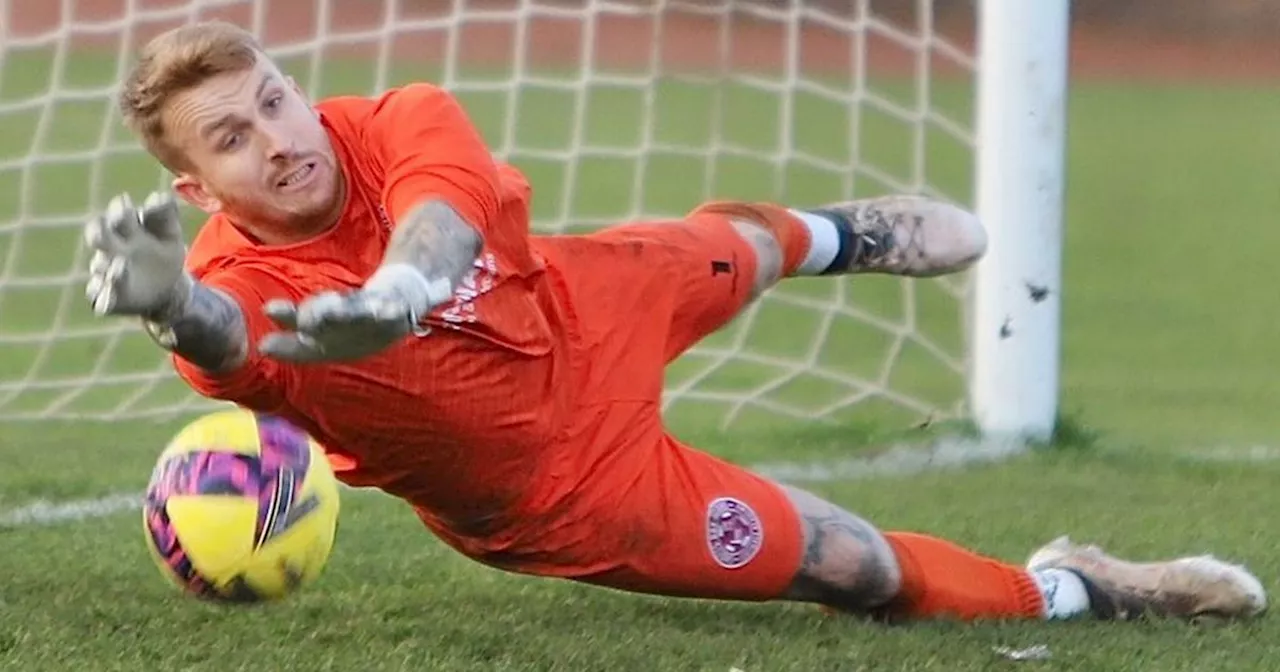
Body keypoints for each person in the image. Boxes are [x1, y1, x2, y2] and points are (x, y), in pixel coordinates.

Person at [84, 20, 1265, 622]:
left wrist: (393, 297)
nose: (282, 139)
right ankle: (1073, 586)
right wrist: (173, 307)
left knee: (739, 248)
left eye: (273, 100)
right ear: (195, 190)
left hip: (580, 298)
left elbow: (438, 221)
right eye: (233, 138)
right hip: (555, 484)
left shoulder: (393, 117)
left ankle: (832, 235)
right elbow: (224, 345)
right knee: (844, 565)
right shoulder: (229, 283)